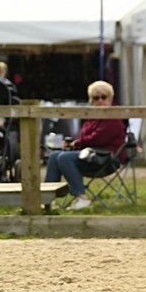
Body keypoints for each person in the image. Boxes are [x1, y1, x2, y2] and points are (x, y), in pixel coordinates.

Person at [44, 80, 127, 211]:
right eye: (96, 98)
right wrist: (74, 144)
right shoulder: (91, 116)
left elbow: (98, 139)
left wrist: (77, 143)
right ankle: (47, 200)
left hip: (106, 158)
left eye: (103, 97)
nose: (100, 100)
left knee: (64, 158)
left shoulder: (114, 117)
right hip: (90, 155)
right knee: (54, 155)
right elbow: (85, 139)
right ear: (91, 100)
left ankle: (82, 198)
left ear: (110, 99)